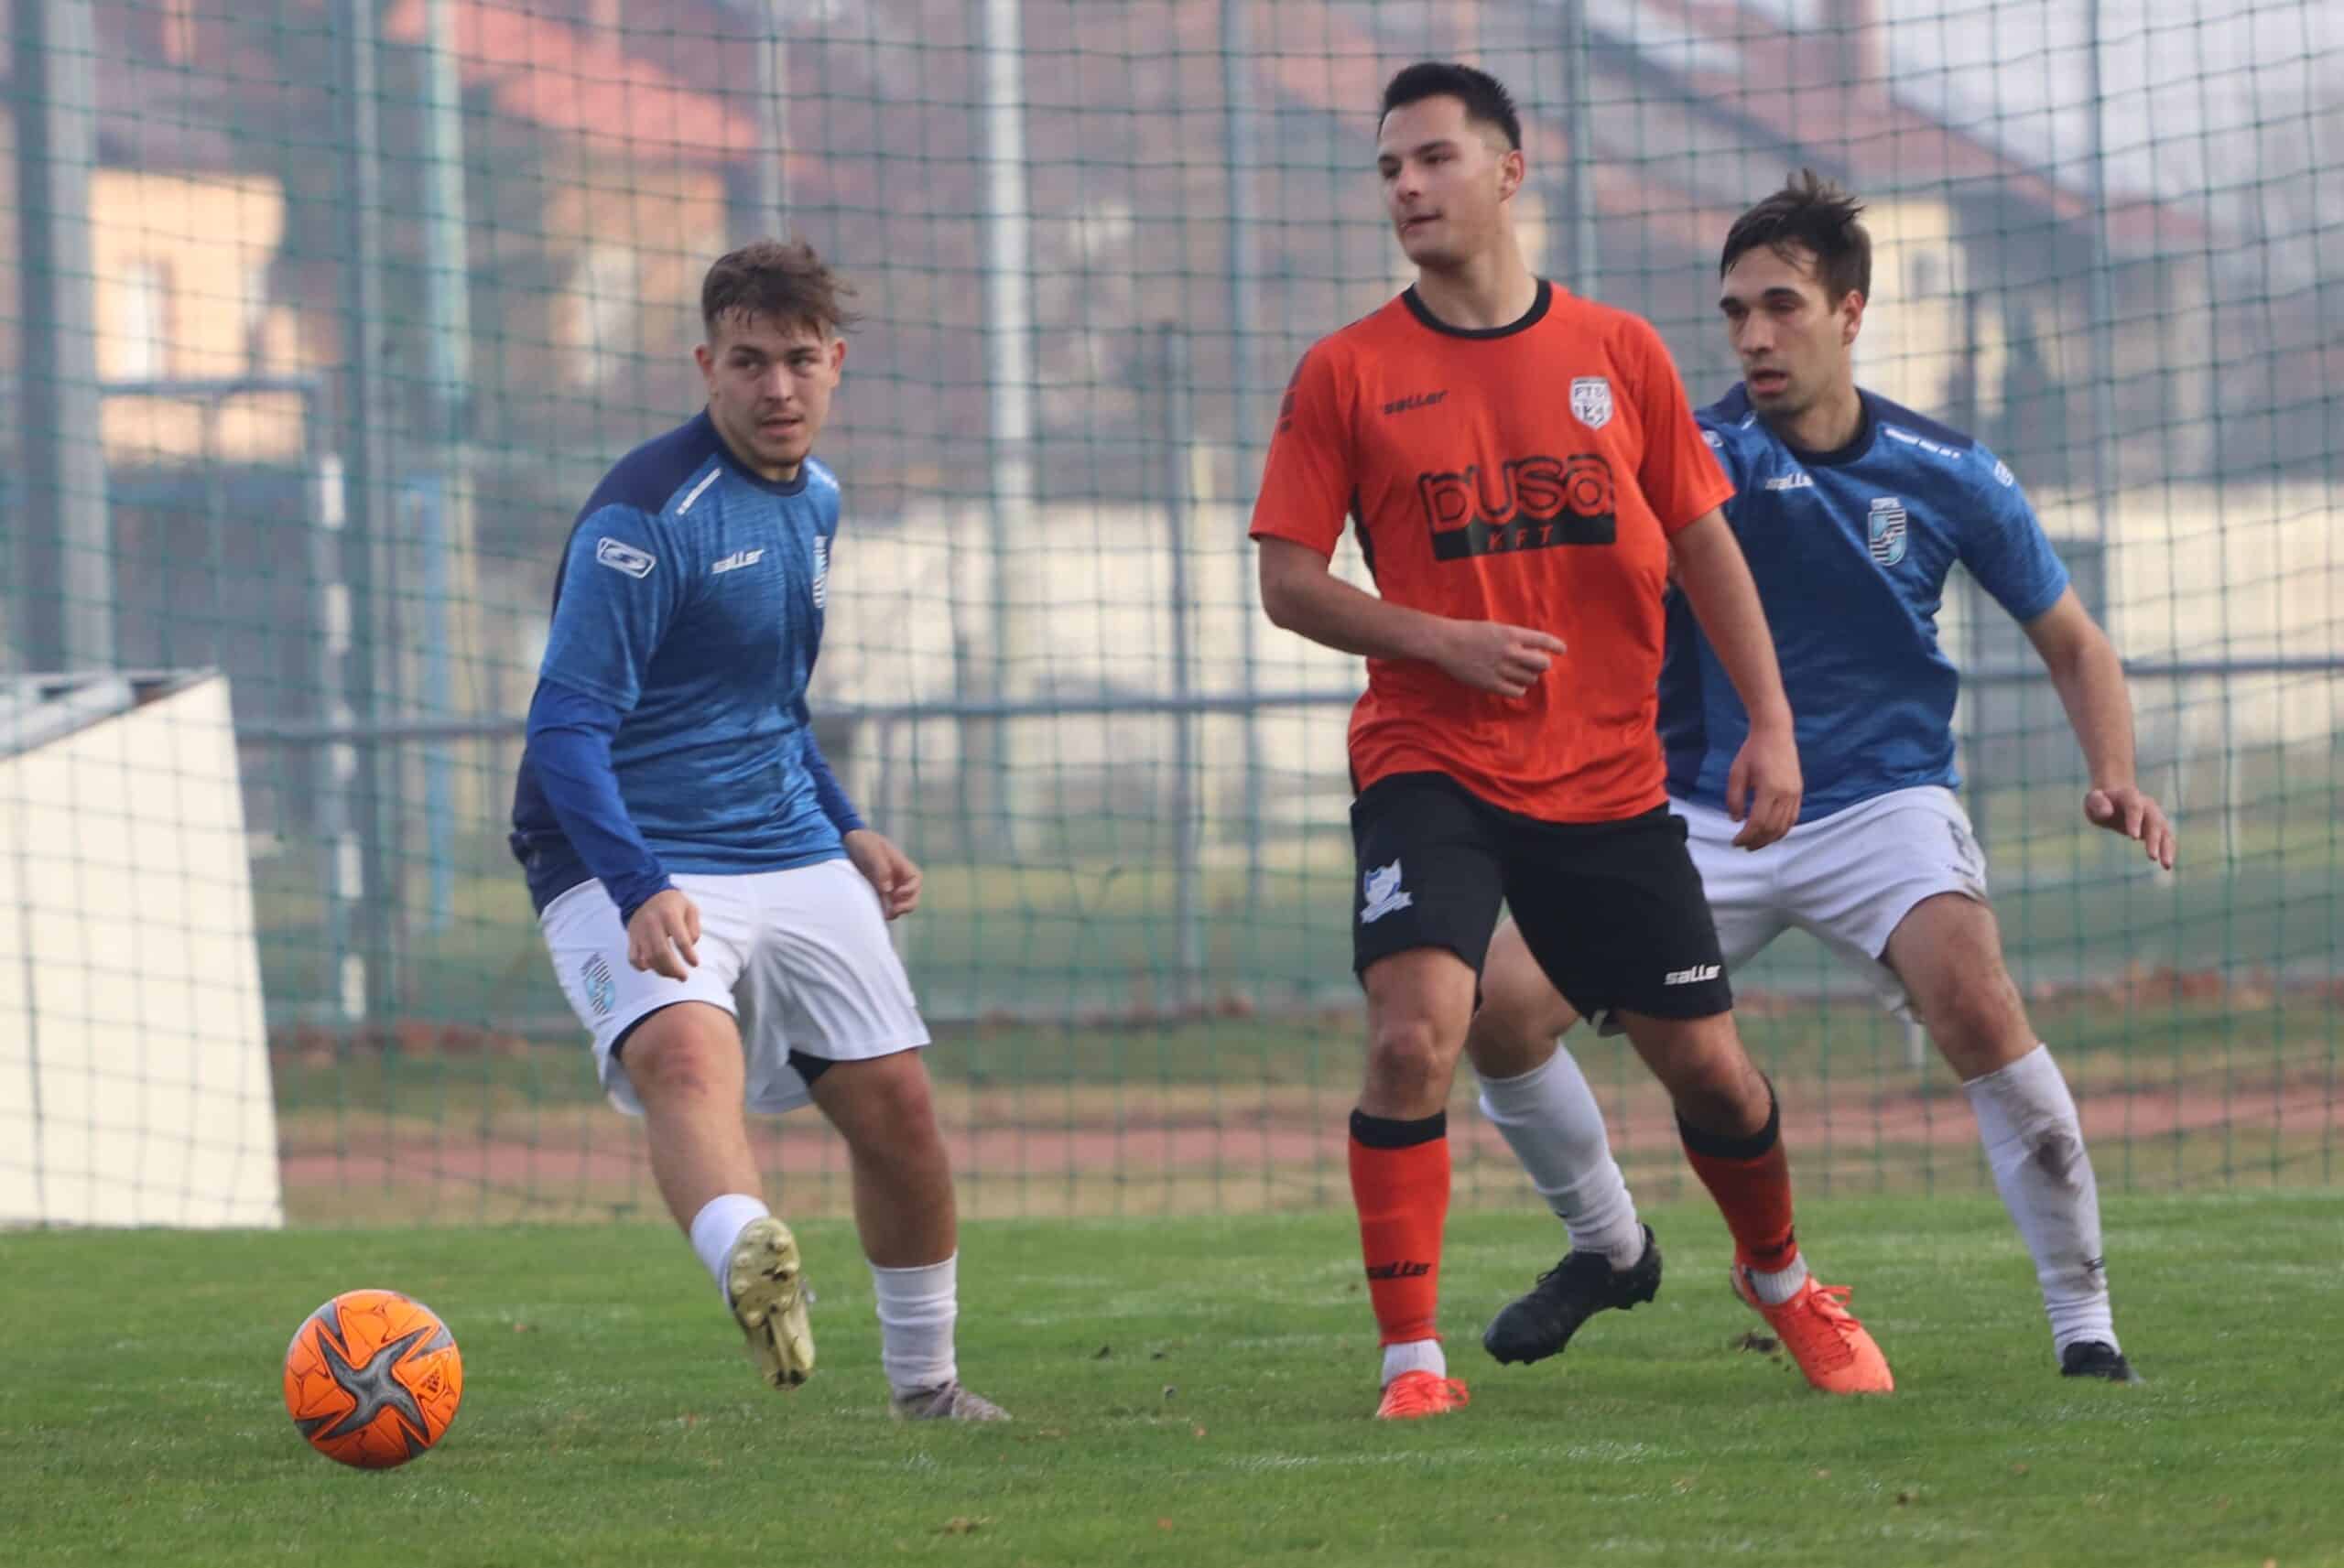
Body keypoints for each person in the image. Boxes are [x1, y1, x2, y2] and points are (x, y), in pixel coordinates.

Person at [1249, 65, 1894, 1420]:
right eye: (1389, 168)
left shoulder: (1619, 353)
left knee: (1710, 1072)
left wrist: (1772, 727)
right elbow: (1289, 582)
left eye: (1434, 159)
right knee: (1416, 1033)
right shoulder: (1346, 371)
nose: (1408, 187)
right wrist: (1437, 640)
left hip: (1606, 779)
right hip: (1428, 755)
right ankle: (1412, 1362)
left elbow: (1706, 549)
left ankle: (1781, 1278)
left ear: (1508, 172)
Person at [1470, 173, 2173, 1384]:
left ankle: (2086, 1328)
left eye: (1782, 306)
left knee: (1979, 1004)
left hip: (1883, 803)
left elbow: (2075, 643)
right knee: (1496, 1011)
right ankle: (1609, 1242)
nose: (1754, 335)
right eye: (1735, 311)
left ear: (1851, 313)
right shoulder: (1686, 456)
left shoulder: (1948, 469)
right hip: (1692, 810)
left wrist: (2114, 774)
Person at [508, 239, 1006, 1422]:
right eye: (748, 363)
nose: (777, 387)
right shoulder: (644, 518)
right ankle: (749, 1250)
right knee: (687, 1060)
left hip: (784, 836)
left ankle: (928, 1387)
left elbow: (770, 704)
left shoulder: (817, 501)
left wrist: (850, 825)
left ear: (835, 364)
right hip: (619, 848)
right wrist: (638, 884)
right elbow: (564, 728)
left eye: (798, 360)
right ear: (706, 367)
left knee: (900, 1111)